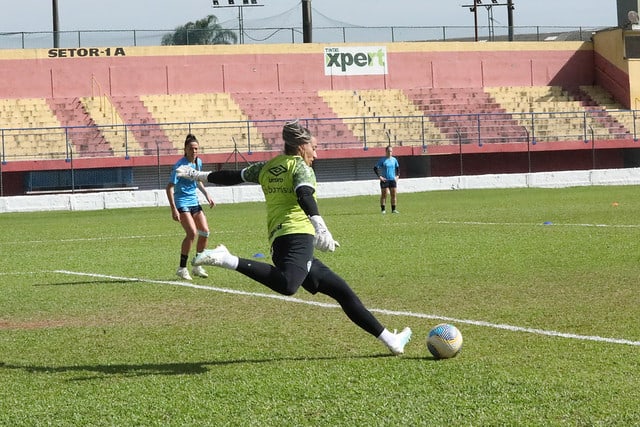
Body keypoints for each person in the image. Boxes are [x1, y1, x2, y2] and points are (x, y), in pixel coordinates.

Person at [176, 120, 412, 355]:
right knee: (288, 285)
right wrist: (320, 225)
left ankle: (390, 339)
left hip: (280, 242)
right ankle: (227, 259)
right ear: (301, 146)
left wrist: (197, 175)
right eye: (314, 148)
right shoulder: (300, 167)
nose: (316, 154)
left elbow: (232, 176)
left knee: (341, 291)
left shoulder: (269, 166)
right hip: (297, 236)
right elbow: (304, 193)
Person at [166, 133, 215, 281]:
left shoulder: (198, 162)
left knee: (205, 232)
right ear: (185, 149)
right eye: (191, 149)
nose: (194, 151)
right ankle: (182, 268)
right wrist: (173, 208)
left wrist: (207, 194)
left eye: (196, 149)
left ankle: (197, 265)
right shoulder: (179, 166)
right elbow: (169, 188)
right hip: (182, 202)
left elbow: (198, 180)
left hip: (194, 201)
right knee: (192, 233)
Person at [373, 145, 400, 214]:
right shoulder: (382, 160)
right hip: (385, 180)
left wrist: (397, 176)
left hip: (392, 180)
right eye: (388, 151)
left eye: (391, 151)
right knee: (384, 195)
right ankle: (383, 210)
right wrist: (380, 176)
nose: (390, 152)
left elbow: (398, 168)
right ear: (386, 151)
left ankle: (393, 209)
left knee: (393, 195)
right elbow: (375, 168)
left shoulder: (394, 160)